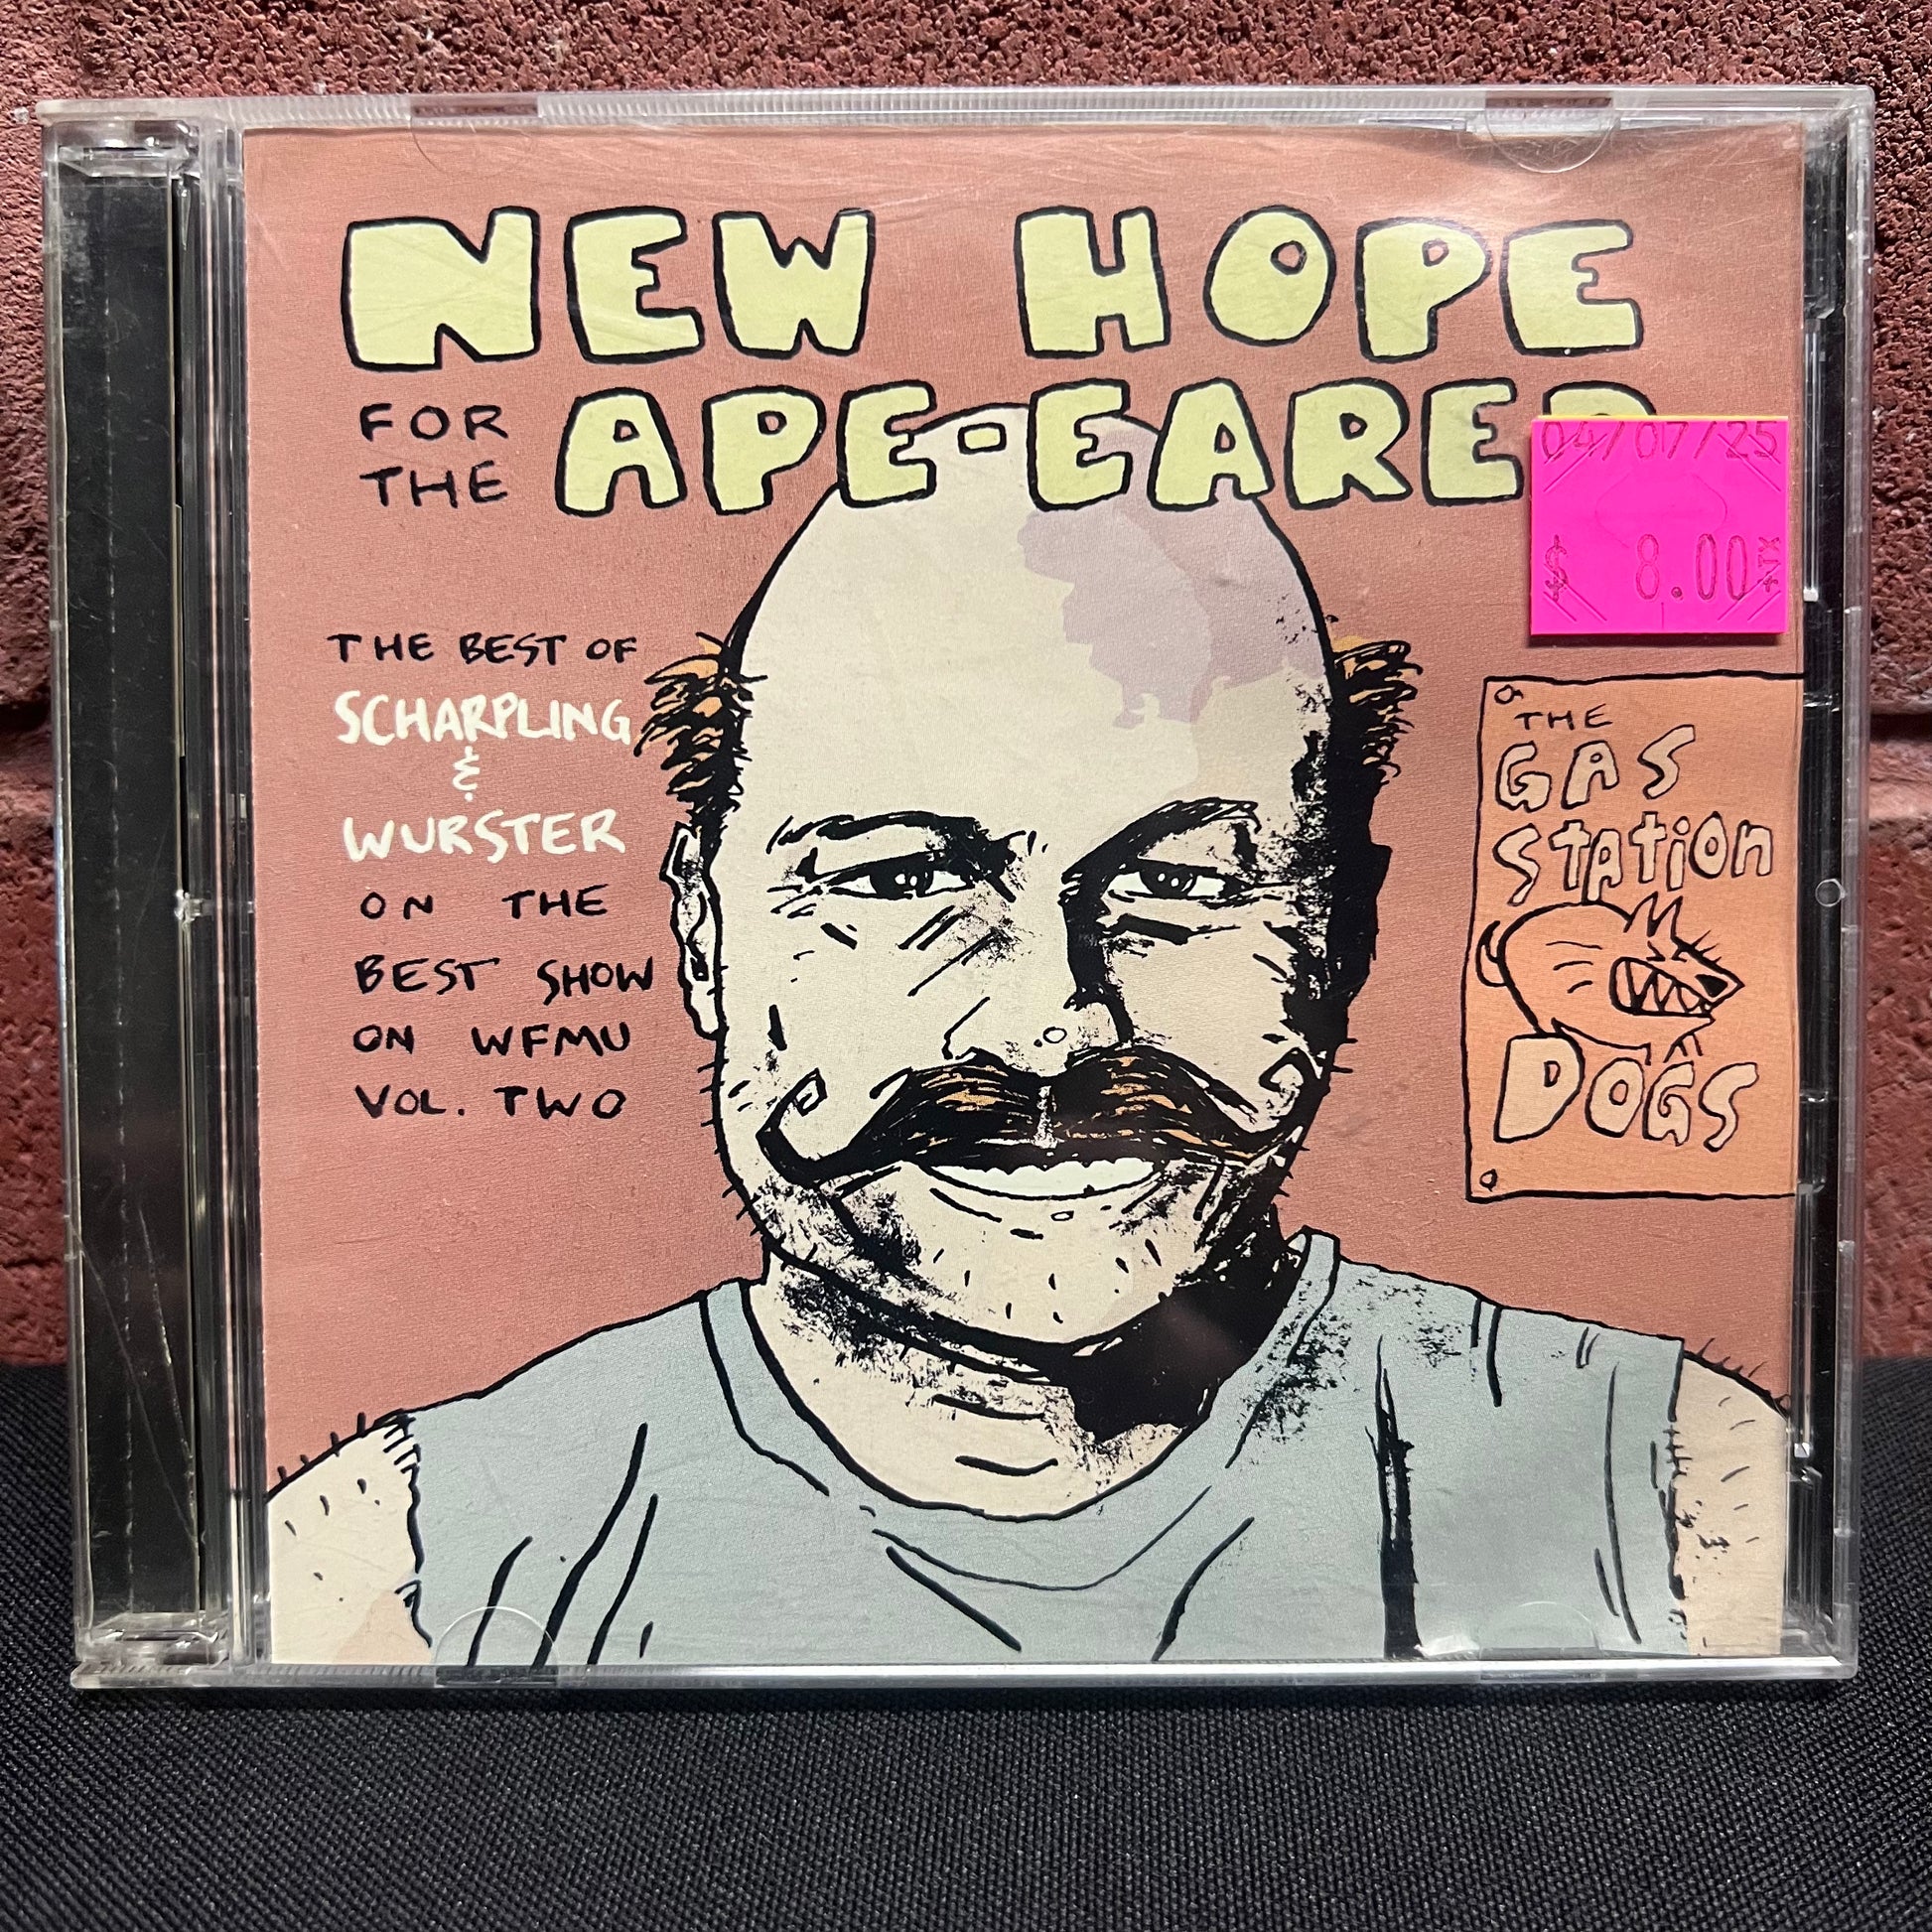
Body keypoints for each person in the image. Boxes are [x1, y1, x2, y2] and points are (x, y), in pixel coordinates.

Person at [272, 407, 1785, 1669]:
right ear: (707, 935)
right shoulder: (404, 1564)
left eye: (1182, 882)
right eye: (897, 880)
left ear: (1342, 933)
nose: (1049, 1021)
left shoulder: (1664, 1499)